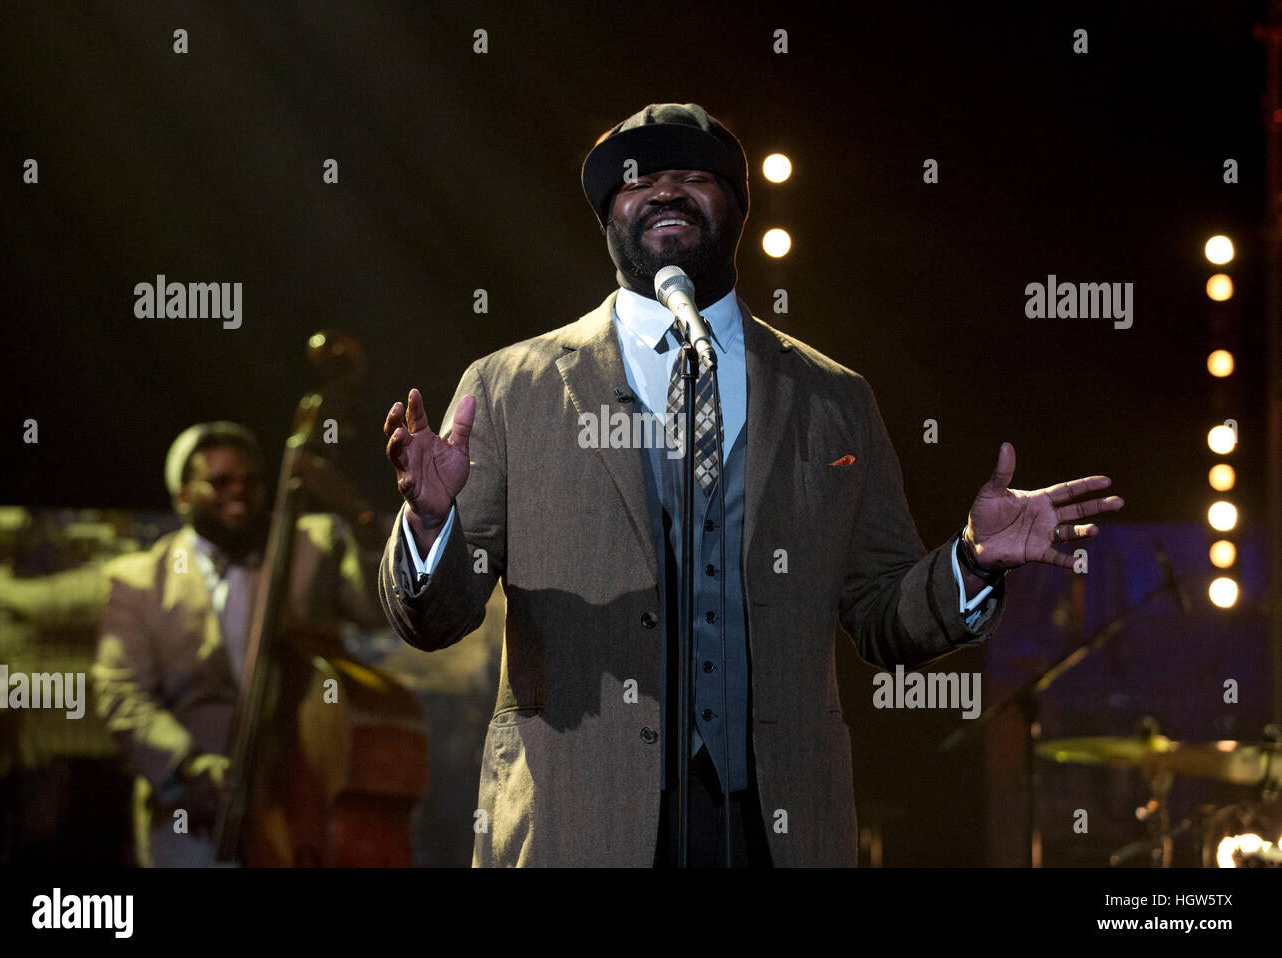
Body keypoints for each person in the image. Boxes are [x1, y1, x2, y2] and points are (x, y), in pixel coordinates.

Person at [378, 103, 1124, 867]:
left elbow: (880, 612)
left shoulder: (834, 398)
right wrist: (434, 529)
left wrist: (969, 561)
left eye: (694, 176)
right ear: (607, 215)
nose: (665, 191)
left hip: (774, 825)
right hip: (575, 819)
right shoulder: (510, 389)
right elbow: (436, 620)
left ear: (736, 206)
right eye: (639, 180)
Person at [92, 422, 386, 866]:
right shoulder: (138, 581)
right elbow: (120, 693)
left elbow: (380, 609)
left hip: (299, 803)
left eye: (250, 482)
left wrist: (359, 517)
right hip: (187, 817)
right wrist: (189, 766)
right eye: (219, 482)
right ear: (182, 496)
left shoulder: (312, 543)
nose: (239, 493)